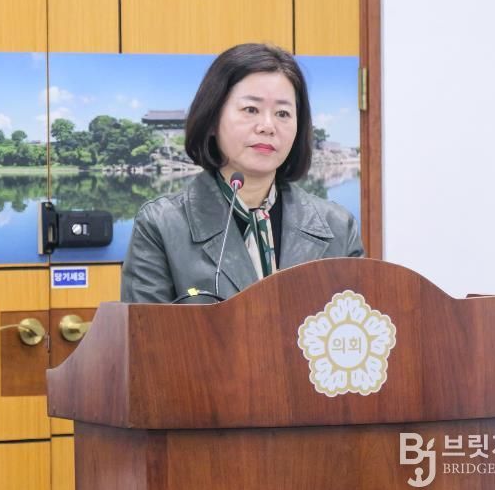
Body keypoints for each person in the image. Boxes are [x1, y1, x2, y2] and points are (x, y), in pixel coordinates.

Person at [121, 43, 364, 304]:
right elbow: (146, 329)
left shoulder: (338, 226)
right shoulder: (161, 225)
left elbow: (357, 324)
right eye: (251, 109)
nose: (267, 126)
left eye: (283, 113)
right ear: (212, 120)